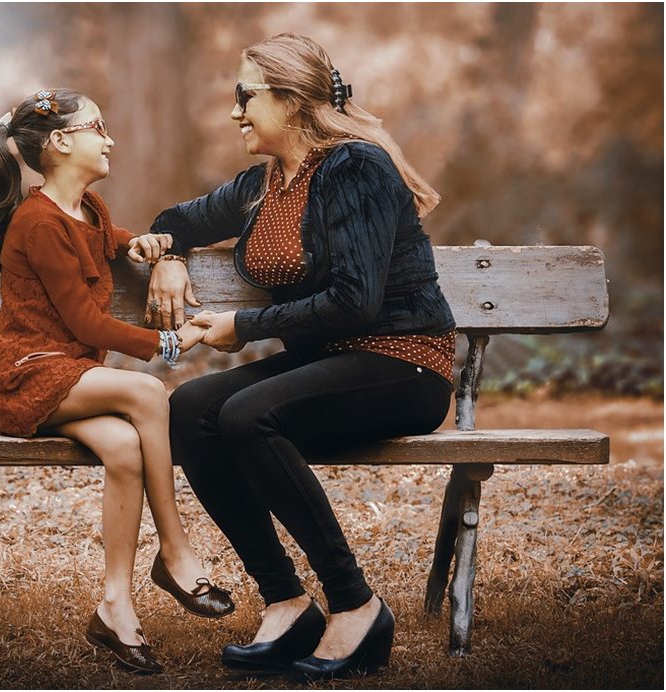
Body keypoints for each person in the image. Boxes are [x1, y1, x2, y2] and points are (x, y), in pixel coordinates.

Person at [139, 33, 457, 681]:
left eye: (244, 96)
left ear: (287, 101)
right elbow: (177, 216)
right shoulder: (263, 184)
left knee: (248, 414)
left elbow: (355, 303)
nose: (235, 112)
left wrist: (244, 324)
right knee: (193, 407)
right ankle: (285, 600)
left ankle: (354, 605)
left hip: (403, 360)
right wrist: (169, 258)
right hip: (331, 362)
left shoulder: (354, 169)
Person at [0, 88, 234, 675]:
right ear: (62, 143)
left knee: (122, 447)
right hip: (25, 377)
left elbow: (107, 243)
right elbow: (86, 323)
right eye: (98, 127)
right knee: (146, 391)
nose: (109, 137)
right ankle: (175, 551)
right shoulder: (36, 222)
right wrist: (174, 341)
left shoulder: (87, 209)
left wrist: (146, 246)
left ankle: (115, 606)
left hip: (69, 375)